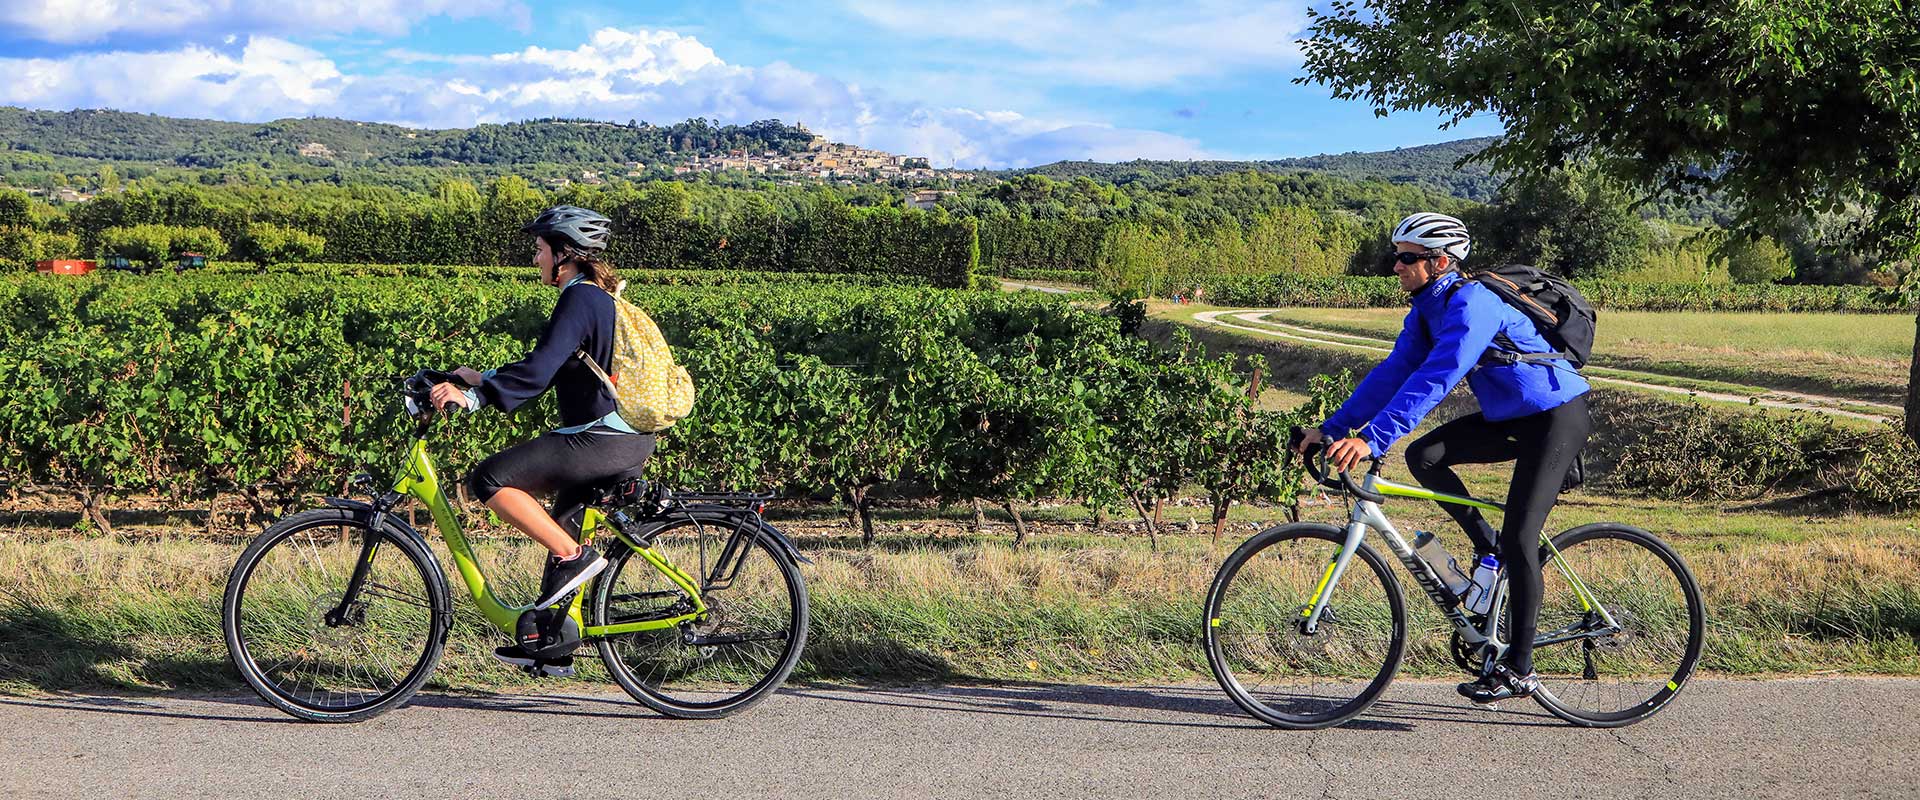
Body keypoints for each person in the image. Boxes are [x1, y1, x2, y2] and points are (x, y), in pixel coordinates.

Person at [1293, 212, 1591, 703]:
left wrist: (1373, 439)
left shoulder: (1474, 303)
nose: (1396, 266)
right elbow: (1394, 373)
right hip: (1514, 418)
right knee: (1426, 455)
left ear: (1441, 261)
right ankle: (1487, 548)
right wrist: (1333, 428)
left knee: (1522, 535)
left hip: (1556, 416)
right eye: (1396, 256)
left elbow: (1439, 376)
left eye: (1407, 257)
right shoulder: (1426, 310)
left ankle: (1520, 667)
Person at [428, 205, 657, 672]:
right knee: (562, 523)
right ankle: (554, 643)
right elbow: (555, 366)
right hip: (613, 436)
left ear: (564, 253)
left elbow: (540, 368)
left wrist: (473, 399)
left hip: (603, 439)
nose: (535, 259)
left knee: (490, 478)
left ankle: (575, 557)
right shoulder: (593, 297)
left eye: (539, 250)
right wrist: (484, 378)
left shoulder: (581, 298)